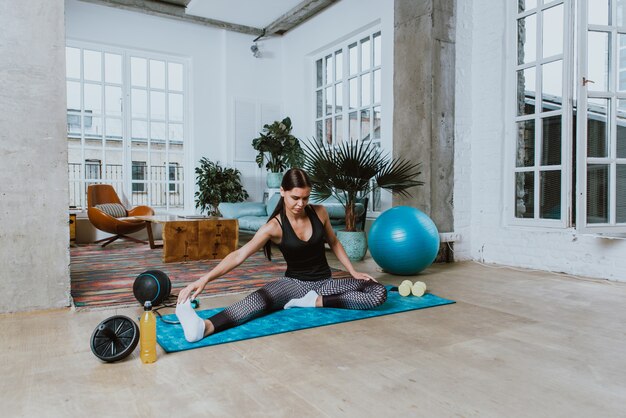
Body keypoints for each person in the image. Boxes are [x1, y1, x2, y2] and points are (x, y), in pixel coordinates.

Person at [175, 168, 387, 342]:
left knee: (377, 292)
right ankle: (204, 326)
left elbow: (333, 242)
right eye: (295, 197)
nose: (301, 204)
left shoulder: (319, 212)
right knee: (257, 302)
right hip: (293, 284)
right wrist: (204, 279)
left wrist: (353, 272)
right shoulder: (273, 227)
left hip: (325, 283)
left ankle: (314, 301)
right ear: (282, 191)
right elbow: (239, 255)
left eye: (305, 198)